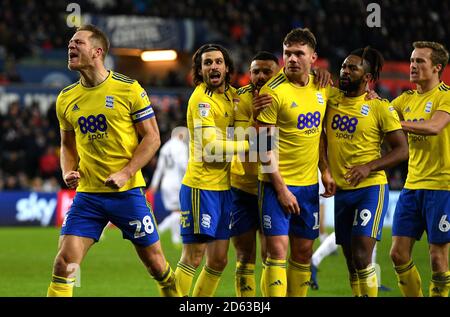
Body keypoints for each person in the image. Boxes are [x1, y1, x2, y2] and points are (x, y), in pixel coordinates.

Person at [47, 24, 179, 297]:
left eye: (78, 42)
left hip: (127, 193)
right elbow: (67, 144)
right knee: (64, 264)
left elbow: (152, 138)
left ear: (97, 52)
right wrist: (67, 169)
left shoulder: (128, 89)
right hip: (88, 196)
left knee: (156, 265)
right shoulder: (65, 99)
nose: (70, 46)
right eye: (70, 42)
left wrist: (126, 171)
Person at [256, 28, 336, 297]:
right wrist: (280, 189)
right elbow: (262, 146)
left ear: (313, 57)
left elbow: (321, 134)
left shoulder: (323, 88)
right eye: (287, 53)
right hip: (275, 185)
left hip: (308, 186)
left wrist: (324, 169)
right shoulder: (272, 92)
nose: (291, 58)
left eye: (298, 53)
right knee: (277, 251)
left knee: (303, 252)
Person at [325, 47, 409, 297]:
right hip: (342, 189)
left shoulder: (379, 107)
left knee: (362, 253)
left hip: (370, 188)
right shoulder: (331, 99)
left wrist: (368, 166)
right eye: (343, 66)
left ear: (367, 78)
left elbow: (402, 150)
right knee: (352, 261)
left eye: (353, 67)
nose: (345, 71)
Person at [175, 43, 250, 297]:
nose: (213, 66)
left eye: (218, 62)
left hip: (224, 188)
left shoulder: (233, 95)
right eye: (207, 63)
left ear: (227, 67)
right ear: (200, 70)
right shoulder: (201, 99)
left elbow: (239, 127)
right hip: (201, 186)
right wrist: (250, 145)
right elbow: (211, 147)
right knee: (193, 256)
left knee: (218, 260)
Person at [390, 41, 450, 297]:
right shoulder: (405, 99)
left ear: (437, 67)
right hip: (412, 187)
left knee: (437, 259)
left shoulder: (445, 95)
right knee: (397, 254)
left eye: (420, 61)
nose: (412, 66)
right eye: (412, 60)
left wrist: (396, 123)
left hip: (442, 187)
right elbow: (379, 116)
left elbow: (434, 127)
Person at [231, 51, 280, 297]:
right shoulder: (239, 99)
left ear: (278, 72)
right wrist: (256, 114)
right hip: (242, 187)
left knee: (272, 254)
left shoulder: (285, 94)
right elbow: (243, 143)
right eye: (255, 71)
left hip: (272, 185)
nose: (260, 76)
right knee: (244, 255)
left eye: (266, 71)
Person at [148, 126, 189, 247]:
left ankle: (175, 238)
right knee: (179, 211)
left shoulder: (165, 147)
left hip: (165, 183)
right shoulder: (181, 147)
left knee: (176, 211)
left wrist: (154, 184)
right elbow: (183, 165)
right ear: (181, 135)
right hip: (177, 182)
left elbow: (160, 168)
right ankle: (162, 230)